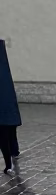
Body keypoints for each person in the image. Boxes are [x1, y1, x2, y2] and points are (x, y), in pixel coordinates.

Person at [0, 40, 22, 175]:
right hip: (7, 108)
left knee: (5, 134)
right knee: (9, 132)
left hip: (4, 109)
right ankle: (12, 155)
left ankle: (9, 162)